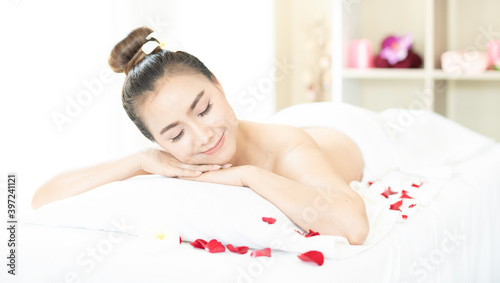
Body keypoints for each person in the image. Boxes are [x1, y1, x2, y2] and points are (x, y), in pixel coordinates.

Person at [31, 26, 369, 245]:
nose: (203, 137)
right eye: (176, 134)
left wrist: (248, 175)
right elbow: (42, 199)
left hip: (345, 127)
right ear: (157, 141)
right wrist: (138, 161)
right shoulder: (169, 159)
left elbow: (353, 225)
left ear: (218, 85)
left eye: (204, 109)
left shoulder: (287, 146)